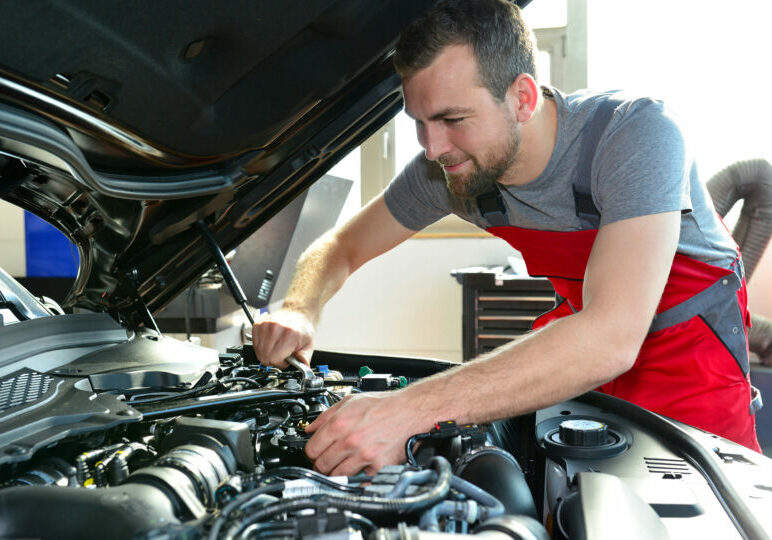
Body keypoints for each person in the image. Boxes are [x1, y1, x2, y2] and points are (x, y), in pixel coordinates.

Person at [252, 0, 761, 475]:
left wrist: (407, 410)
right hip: (579, 357)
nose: (432, 148)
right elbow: (340, 246)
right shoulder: (449, 170)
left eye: (452, 119)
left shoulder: (635, 133)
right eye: (420, 123)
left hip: (690, 368)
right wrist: (299, 306)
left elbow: (611, 334)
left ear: (522, 97)